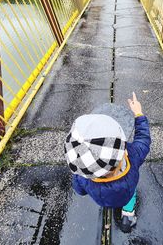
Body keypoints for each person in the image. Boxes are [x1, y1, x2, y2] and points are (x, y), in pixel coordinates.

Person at [64, 92, 151, 233]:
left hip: (101, 198)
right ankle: (127, 217)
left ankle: (110, 205)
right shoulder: (132, 156)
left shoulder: (83, 175)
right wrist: (138, 114)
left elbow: (79, 190)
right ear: (122, 151)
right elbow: (143, 140)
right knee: (130, 197)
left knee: (107, 200)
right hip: (126, 192)